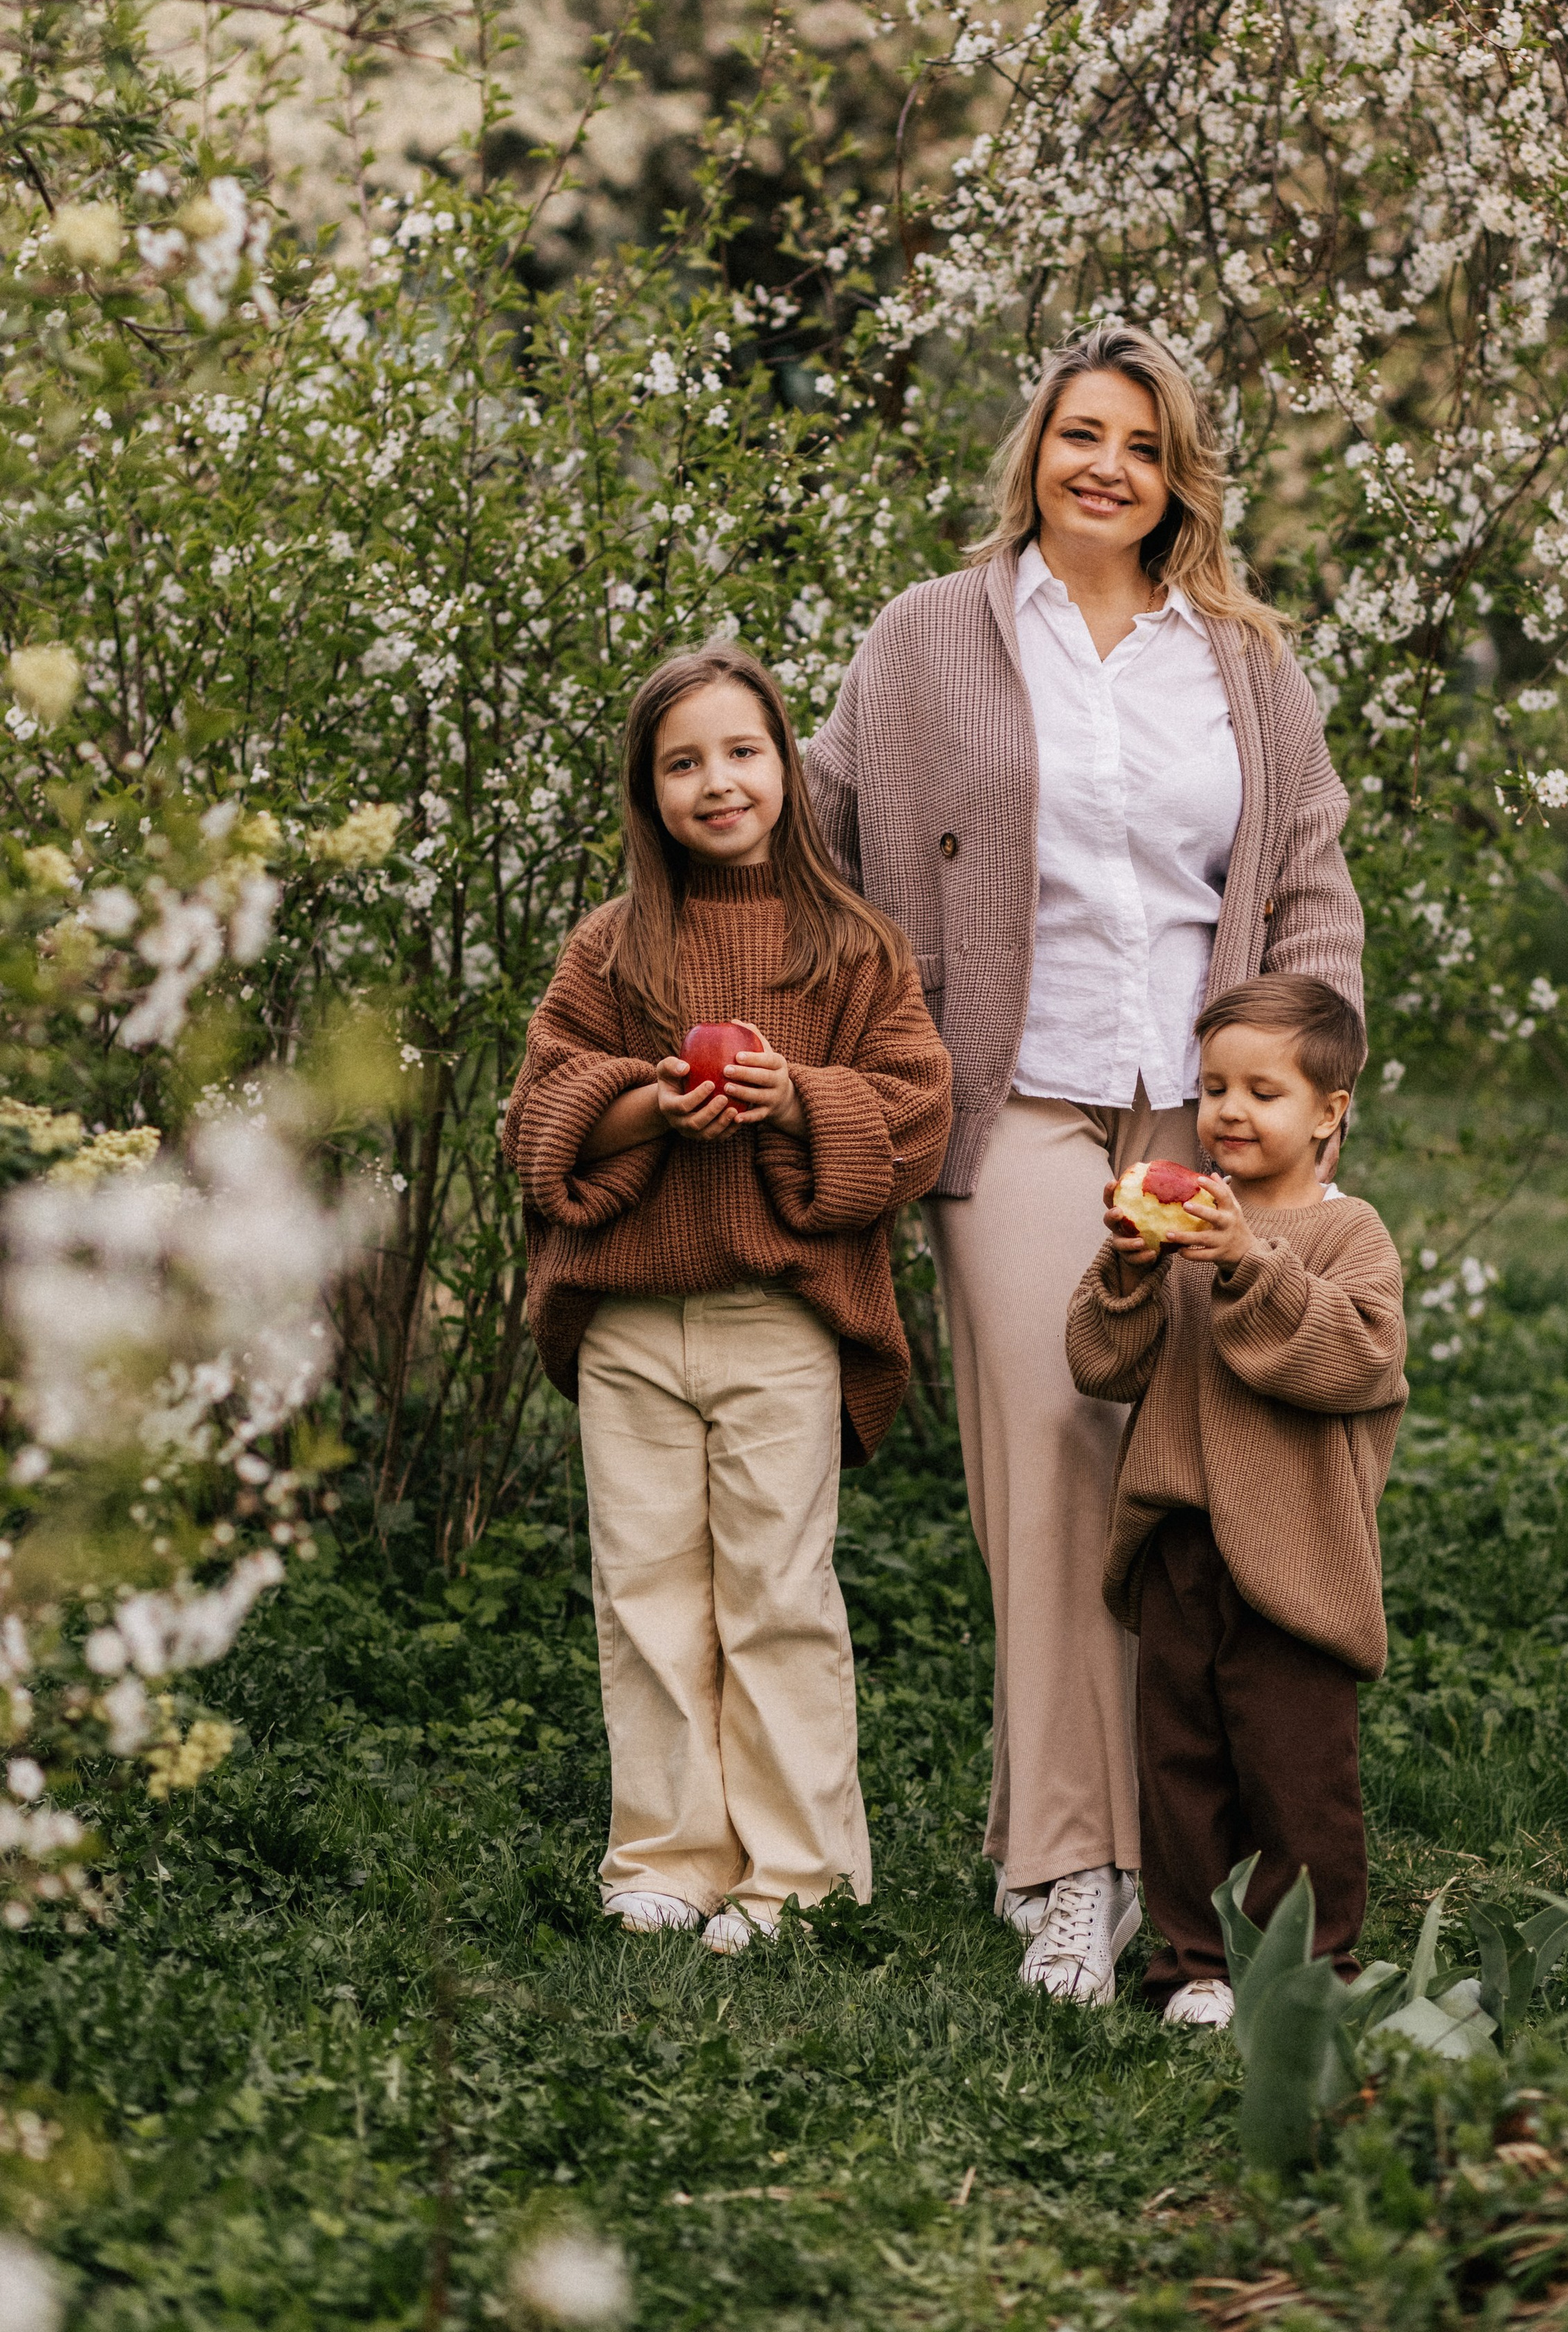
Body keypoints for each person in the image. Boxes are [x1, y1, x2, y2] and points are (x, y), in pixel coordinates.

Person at [806, 320, 1365, 2006]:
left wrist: (1306, 1084)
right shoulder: (928, 638)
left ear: (1175, 474)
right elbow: (820, 830)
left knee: (1182, 1468)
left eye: (1136, 441)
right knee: (1055, 1457)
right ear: (1032, 455)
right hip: (1015, 1094)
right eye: (1074, 435)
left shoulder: (1246, 665)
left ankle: (1175, 1854)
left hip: (1202, 1113)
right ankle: (1073, 1868)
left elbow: (1310, 881)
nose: (1101, 465)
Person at [503, 644, 953, 1954]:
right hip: (633, 1321)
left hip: (780, 1320)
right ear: (650, 793)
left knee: (778, 1592)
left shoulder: (852, 946)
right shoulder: (616, 947)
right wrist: (649, 1101)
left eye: (743, 752)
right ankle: (666, 1854)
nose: (719, 782)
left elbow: (917, 1115)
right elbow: (538, 1116)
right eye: (684, 762)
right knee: (642, 1590)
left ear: (790, 769)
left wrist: (797, 1096)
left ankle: (799, 1872)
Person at [1065, 975, 1407, 2027]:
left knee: (1298, 1780)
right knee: (1181, 1770)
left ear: (1329, 1111)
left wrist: (1248, 1263)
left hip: (1299, 1558)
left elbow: (1357, 1362)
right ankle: (1192, 1967)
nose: (1230, 1113)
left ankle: (1310, 1966)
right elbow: (1099, 1364)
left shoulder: (1349, 1239)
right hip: (1179, 1542)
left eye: (1264, 1092)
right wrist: (1129, 1273)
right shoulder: (1176, 1223)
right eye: (1214, 1087)